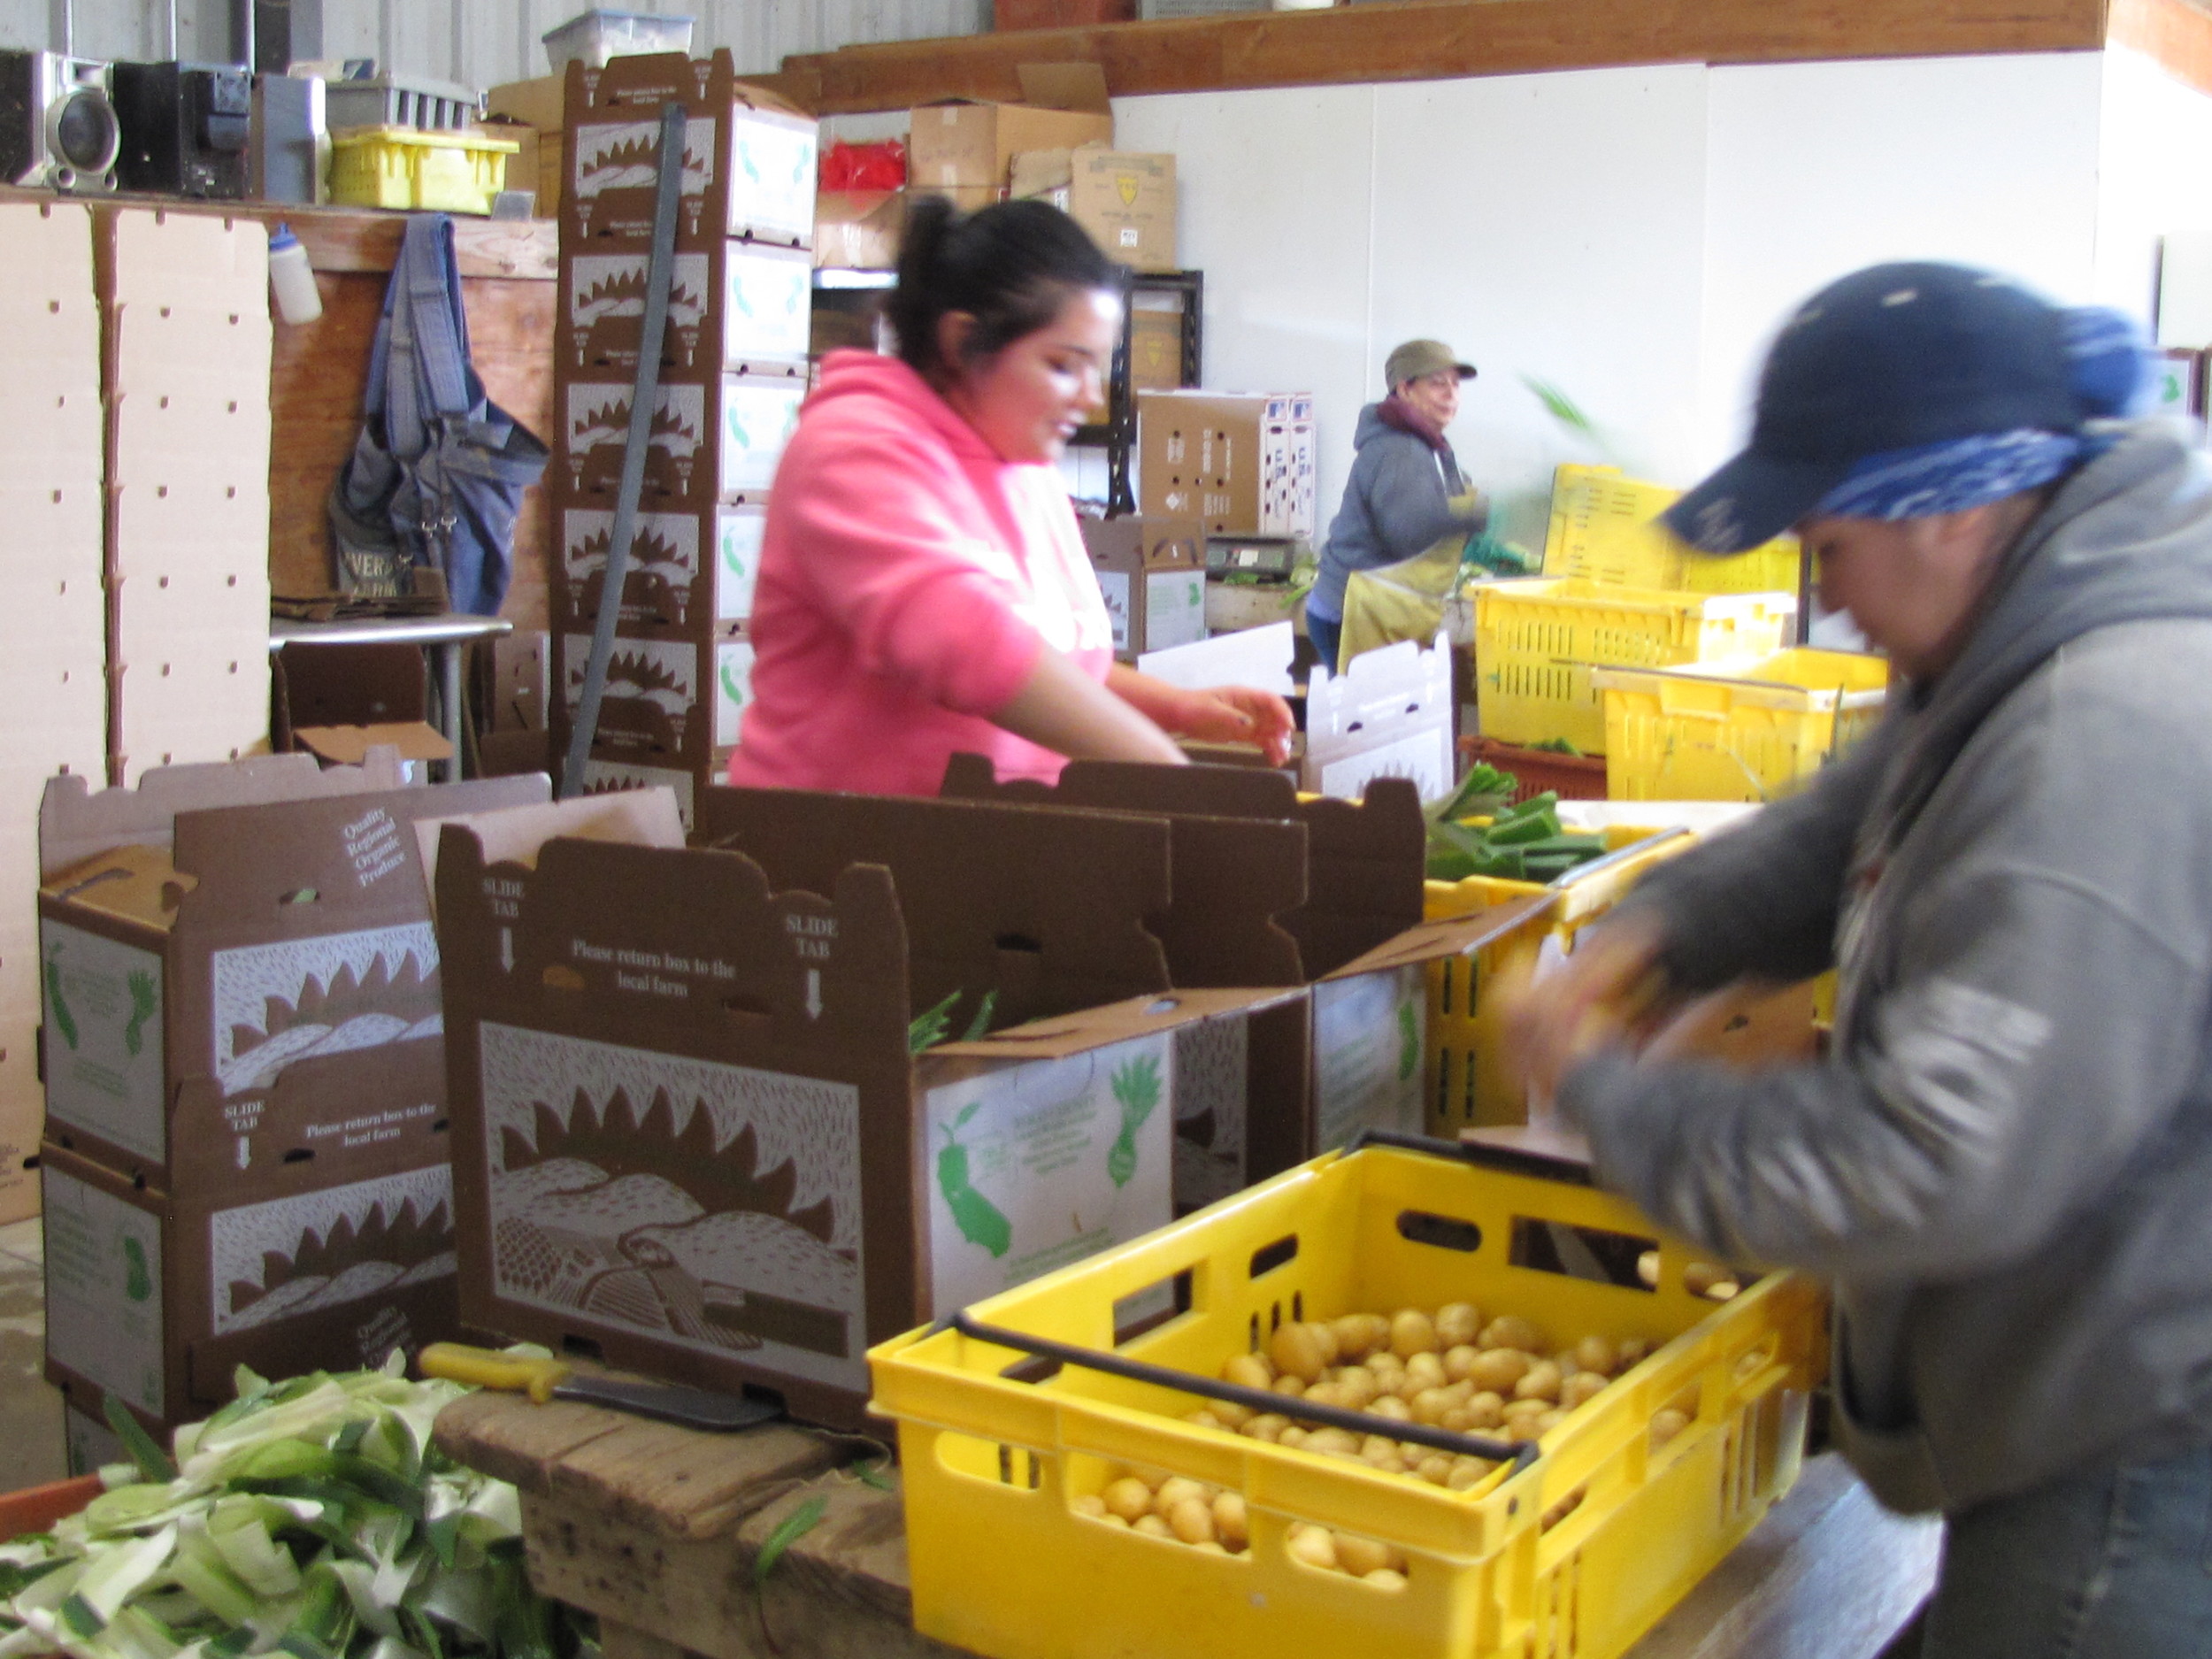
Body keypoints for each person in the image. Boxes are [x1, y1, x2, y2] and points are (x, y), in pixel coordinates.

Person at [1505, 262, 2212, 1657]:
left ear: (1947, 508)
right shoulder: (2029, 624)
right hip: (2077, 1381)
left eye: (1827, 546)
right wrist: (1662, 930)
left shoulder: (2101, 730)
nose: (1826, 600)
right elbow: (1862, 807)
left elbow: (1919, 1163)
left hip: (2142, 1440)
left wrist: (1612, 1091)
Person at [728, 198, 1294, 796]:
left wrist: (1174, 708)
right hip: (839, 852)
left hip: (982, 847)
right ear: (962, 342)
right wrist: (1173, 776)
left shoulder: (1024, 460)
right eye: (1062, 365)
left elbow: (1045, 660)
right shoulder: (852, 449)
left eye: (1096, 369)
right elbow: (969, 645)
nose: (1089, 396)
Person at [1307, 339, 1486, 672]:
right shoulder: (1398, 450)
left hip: (1380, 604)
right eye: (1437, 383)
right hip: (1354, 609)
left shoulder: (1429, 445)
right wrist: (1478, 518)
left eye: (1455, 384)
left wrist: (1480, 542)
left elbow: (1440, 506)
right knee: (1363, 717)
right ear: (1404, 389)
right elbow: (1408, 531)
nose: (1451, 394)